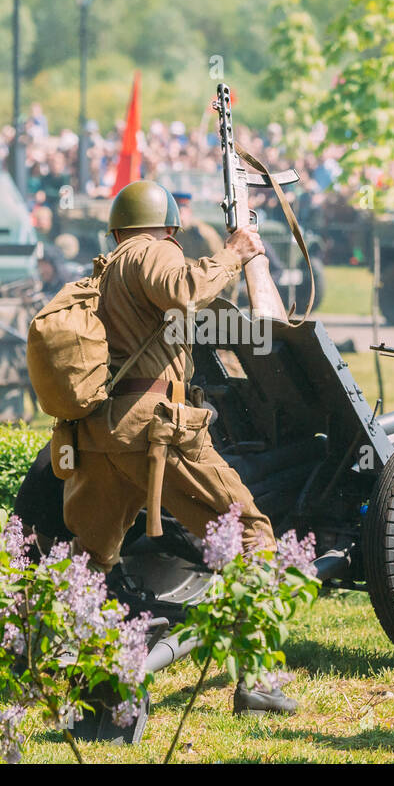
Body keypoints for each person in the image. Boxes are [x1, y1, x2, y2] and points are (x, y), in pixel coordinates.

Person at [61, 179, 294, 715]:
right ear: (166, 227)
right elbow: (185, 288)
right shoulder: (151, 254)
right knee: (250, 533)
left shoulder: (107, 268)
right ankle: (257, 677)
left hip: (101, 432)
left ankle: (50, 662)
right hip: (154, 429)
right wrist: (235, 253)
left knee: (86, 557)